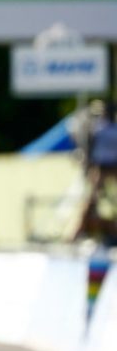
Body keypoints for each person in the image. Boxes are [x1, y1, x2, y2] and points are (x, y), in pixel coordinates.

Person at [75, 101, 117, 245]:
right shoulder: (98, 128)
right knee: (92, 199)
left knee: (94, 198)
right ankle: (79, 231)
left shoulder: (101, 128)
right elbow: (89, 147)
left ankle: (79, 231)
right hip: (101, 167)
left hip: (111, 166)